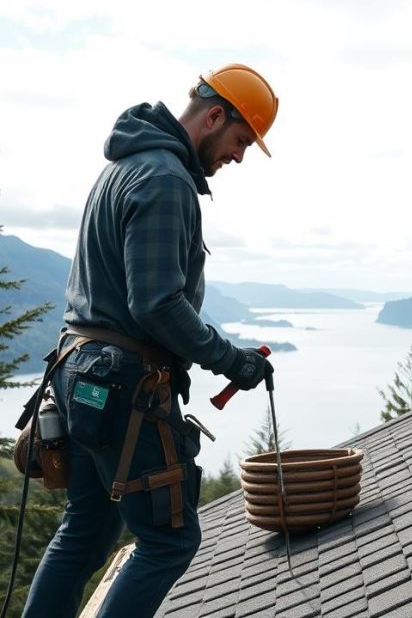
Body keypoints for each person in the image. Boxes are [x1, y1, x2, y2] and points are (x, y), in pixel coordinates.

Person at [22, 64, 278, 618]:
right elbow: (158, 304)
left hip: (79, 371)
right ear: (214, 116)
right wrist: (230, 360)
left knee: (86, 532)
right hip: (123, 385)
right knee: (169, 541)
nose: (237, 157)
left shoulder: (125, 167)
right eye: (239, 141)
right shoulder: (164, 180)